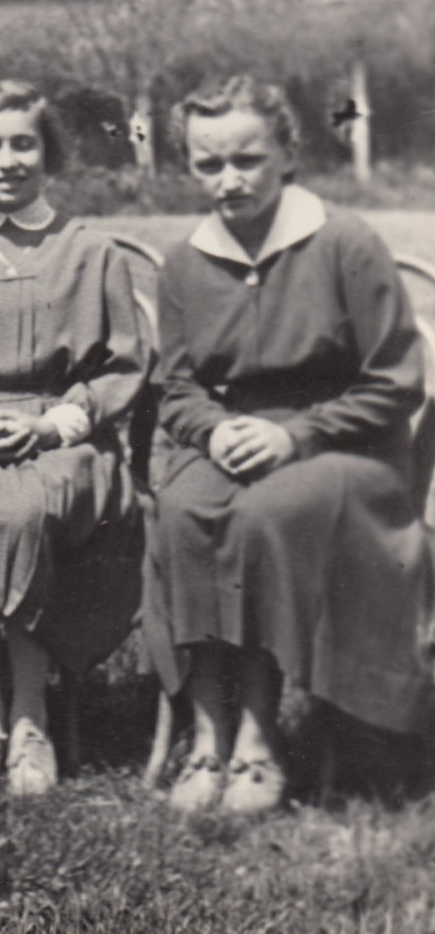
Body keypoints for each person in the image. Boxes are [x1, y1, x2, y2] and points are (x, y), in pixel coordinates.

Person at [146, 75, 433, 814]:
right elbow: (175, 387)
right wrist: (214, 429)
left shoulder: (344, 243)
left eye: (247, 159)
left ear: (288, 155)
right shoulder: (184, 263)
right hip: (232, 436)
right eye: (210, 164)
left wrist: (294, 434)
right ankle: (206, 733)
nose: (230, 179)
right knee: (182, 511)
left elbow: (396, 382)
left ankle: (258, 734)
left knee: (264, 516)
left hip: (349, 447)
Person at [0, 81, 147, 797]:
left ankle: (31, 716)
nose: (6, 160)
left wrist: (48, 424)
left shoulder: (91, 254)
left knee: (25, 510)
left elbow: (123, 368)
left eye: (22, 144)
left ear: (48, 152)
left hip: (65, 437)